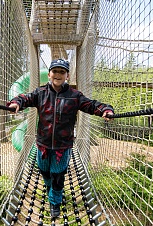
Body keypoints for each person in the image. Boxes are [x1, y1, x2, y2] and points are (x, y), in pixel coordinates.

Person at [7, 59, 114, 218]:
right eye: (55, 71)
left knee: (58, 175)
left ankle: (55, 203)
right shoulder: (40, 93)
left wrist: (105, 109)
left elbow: (91, 105)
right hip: (42, 144)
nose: (58, 75)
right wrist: (16, 103)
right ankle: (52, 190)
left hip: (62, 147)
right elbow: (25, 98)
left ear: (67, 75)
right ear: (49, 74)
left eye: (62, 72)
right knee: (44, 171)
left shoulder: (74, 96)